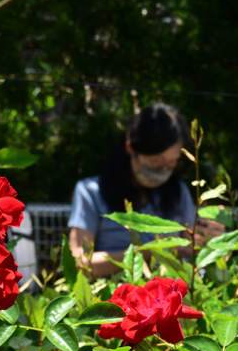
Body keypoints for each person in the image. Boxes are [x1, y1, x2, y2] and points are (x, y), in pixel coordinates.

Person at [67, 103, 225, 277]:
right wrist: (149, 251)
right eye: (156, 163)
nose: (163, 172)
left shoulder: (178, 192)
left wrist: (208, 238)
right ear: (131, 146)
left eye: (170, 165)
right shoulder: (90, 192)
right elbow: (79, 264)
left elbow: (189, 246)